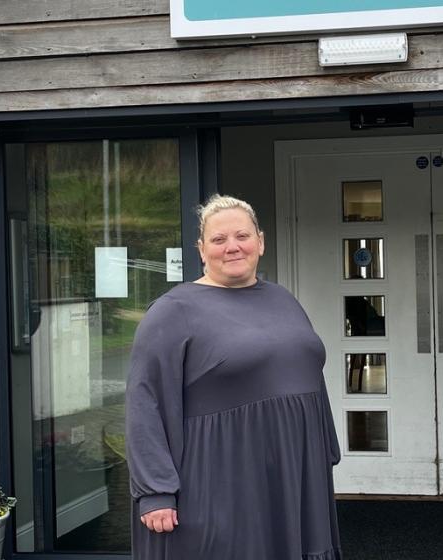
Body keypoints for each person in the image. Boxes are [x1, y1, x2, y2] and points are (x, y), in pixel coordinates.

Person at [125, 195, 342, 559]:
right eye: (218, 239)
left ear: (261, 241)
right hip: (219, 476)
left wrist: (322, 450)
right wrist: (155, 491)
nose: (232, 247)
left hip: (293, 471)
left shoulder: (282, 298)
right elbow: (144, 401)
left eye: (242, 236)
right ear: (201, 249)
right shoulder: (173, 311)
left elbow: (307, 373)